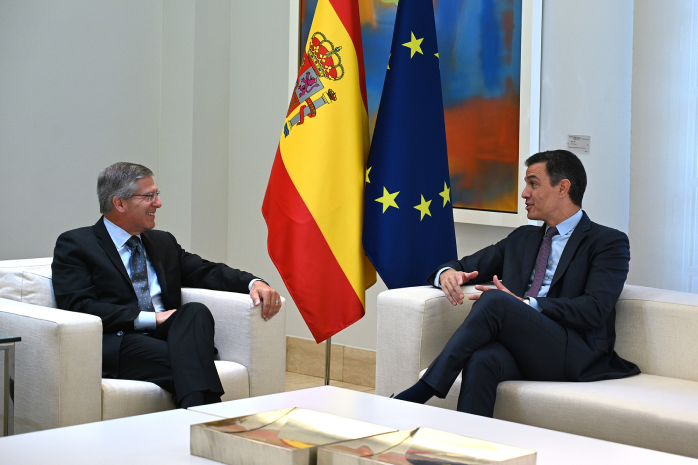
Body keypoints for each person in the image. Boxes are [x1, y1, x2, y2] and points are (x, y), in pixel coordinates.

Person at [394, 150, 640, 416]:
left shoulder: (608, 242)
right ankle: (470, 448)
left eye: (533, 183)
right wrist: (446, 273)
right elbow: (465, 265)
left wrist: (527, 304)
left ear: (563, 188)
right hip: (526, 348)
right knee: (481, 359)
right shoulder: (522, 238)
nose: (524, 193)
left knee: (496, 300)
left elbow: (594, 308)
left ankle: (422, 390)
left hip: (574, 351)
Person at [52, 162, 282, 408]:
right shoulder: (76, 244)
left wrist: (252, 282)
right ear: (120, 203)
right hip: (120, 339)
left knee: (195, 312)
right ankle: (208, 418)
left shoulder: (162, 241)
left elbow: (205, 270)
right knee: (192, 359)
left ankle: (195, 421)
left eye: (157, 195)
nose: (158, 203)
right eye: (149, 196)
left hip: (170, 336)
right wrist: (153, 319)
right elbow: (79, 305)